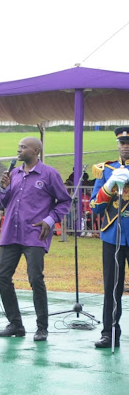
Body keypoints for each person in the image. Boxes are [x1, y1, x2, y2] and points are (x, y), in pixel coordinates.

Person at [0, 137, 70, 341]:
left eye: (23, 147)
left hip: (35, 234)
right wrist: (3, 188)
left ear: (36, 150)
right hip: (11, 233)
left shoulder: (49, 174)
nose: (18, 149)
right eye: (18, 146)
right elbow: (5, 202)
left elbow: (64, 202)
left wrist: (50, 219)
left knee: (35, 278)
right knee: (1, 276)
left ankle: (42, 327)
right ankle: (16, 324)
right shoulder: (14, 173)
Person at [89, 126, 129, 348]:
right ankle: (109, 332)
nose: (125, 147)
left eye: (128, 143)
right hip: (112, 236)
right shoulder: (106, 169)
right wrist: (109, 184)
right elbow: (95, 207)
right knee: (111, 288)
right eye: (122, 143)